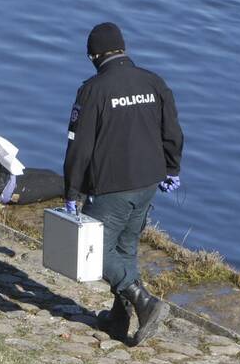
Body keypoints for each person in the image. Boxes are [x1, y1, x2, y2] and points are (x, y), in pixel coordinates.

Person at [63, 22, 183, 346]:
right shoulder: (154, 82)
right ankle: (119, 318)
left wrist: (71, 190)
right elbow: (172, 132)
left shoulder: (93, 90)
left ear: (93, 55)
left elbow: (79, 145)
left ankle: (144, 302)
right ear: (123, 49)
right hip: (148, 182)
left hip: (111, 185)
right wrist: (171, 169)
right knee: (125, 250)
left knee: (94, 250)